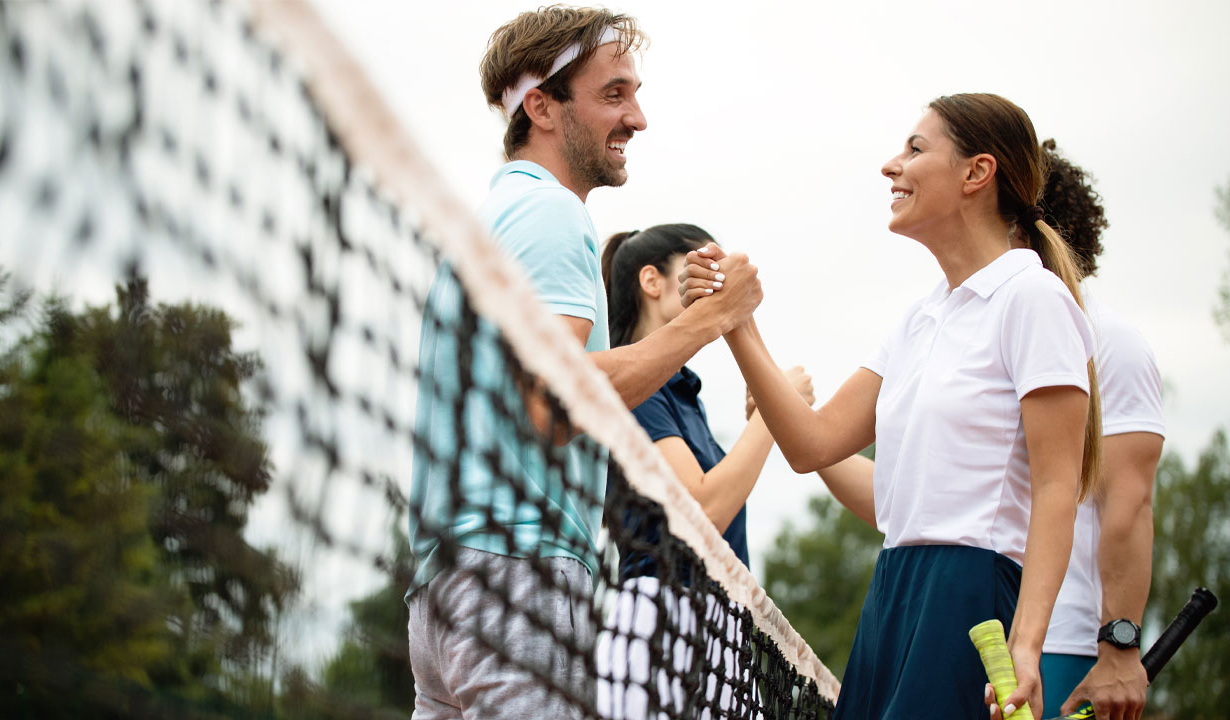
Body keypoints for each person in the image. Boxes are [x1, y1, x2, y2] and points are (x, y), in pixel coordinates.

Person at [682, 93, 1102, 719]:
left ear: (976, 172)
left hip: (971, 596)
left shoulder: (1033, 298)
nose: (891, 165)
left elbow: (1056, 486)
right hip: (893, 589)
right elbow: (812, 444)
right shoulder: (918, 317)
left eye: (915, 148)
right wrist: (734, 321)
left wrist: (1027, 643)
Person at [406, 9, 762, 719]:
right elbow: (557, 403)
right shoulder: (553, 214)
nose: (637, 118)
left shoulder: (493, 220)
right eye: (613, 94)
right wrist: (713, 319)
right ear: (541, 107)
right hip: (519, 577)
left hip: (444, 590)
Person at [593, 224, 813, 718]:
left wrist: (765, 417)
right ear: (652, 281)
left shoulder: (683, 395)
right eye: (697, 267)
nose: (717, 281)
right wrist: (774, 413)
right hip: (662, 618)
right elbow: (704, 510)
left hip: (720, 625)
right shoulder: (639, 390)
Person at [983, 144, 1166, 720]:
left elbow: (1128, 503)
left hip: (1063, 649)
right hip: (984, 628)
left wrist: (1119, 650)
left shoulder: (1111, 341)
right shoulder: (985, 331)